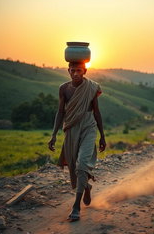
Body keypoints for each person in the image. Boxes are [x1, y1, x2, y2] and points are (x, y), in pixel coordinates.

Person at [48, 61, 106, 221]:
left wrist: (102, 135)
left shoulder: (92, 87)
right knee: (74, 166)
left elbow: (97, 111)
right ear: (68, 70)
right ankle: (86, 186)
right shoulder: (64, 89)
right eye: (72, 70)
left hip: (88, 126)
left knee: (82, 165)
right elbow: (60, 112)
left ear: (84, 71)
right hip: (71, 128)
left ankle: (76, 206)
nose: (75, 73)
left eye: (78, 70)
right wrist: (54, 135)